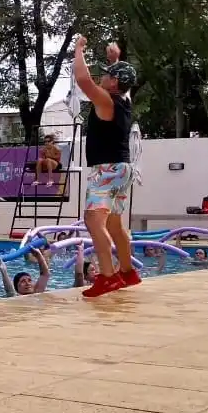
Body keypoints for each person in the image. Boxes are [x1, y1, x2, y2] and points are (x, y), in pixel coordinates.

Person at [73, 36, 138, 297]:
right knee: (114, 224)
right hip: (122, 169)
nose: (103, 76)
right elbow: (123, 80)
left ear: (114, 83)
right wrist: (116, 60)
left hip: (106, 170)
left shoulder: (106, 101)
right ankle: (127, 271)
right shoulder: (125, 100)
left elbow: (83, 80)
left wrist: (78, 50)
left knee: (93, 221)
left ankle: (108, 277)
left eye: (108, 74)